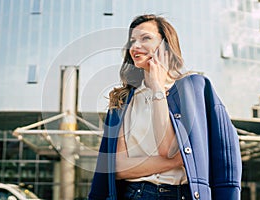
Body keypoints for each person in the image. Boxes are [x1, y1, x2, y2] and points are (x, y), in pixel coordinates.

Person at [88, 14, 242, 200]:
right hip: (135, 195)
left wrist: (157, 90)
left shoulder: (197, 88)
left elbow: (225, 161)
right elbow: (117, 168)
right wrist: (178, 160)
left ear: (165, 44)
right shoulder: (122, 101)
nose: (135, 46)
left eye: (145, 38)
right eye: (132, 41)